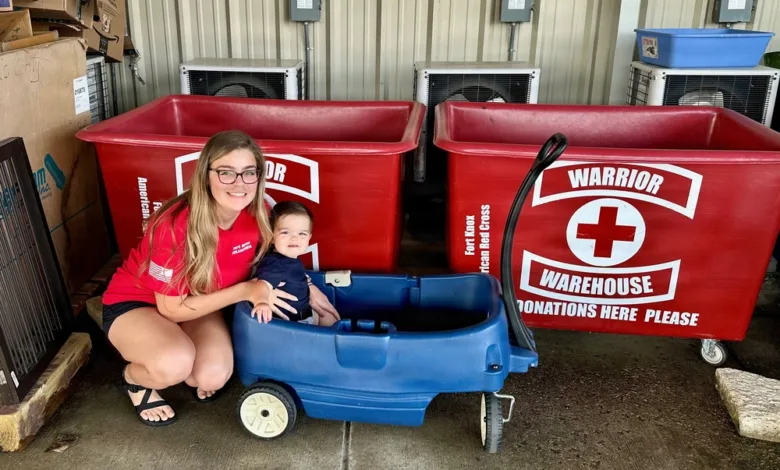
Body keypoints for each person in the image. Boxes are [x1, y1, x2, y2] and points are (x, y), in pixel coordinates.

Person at [100, 130, 340, 426]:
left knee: (211, 376)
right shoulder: (174, 226)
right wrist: (246, 290)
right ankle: (133, 379)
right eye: (227, 173)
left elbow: (275, 260)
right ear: (206, 175)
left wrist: (307, 285)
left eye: (248, 173)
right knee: (173, 366)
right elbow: (170, 309)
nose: (239, 184)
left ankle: (173, 349)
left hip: (201, 304)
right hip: (140, 303)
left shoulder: (260, 212)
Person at [252, 200, 336, 327]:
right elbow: (262, 284)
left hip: (305, 313)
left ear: (309, 238)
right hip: (291, 324)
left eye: (302, 234)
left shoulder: (290, 257)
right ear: (271, 236)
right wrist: (261, 302)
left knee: (331, 317)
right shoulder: (274, 263)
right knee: (330, 325)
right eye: (285, 232)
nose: (294, 238)